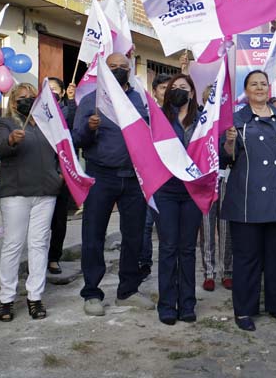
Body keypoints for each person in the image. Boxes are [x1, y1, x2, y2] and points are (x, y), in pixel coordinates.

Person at [220, 70, 276, 332]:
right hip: (247, 200)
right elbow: (226, 159)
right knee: (247, 258)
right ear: (246, 91)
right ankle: (244, 310)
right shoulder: (236, 120)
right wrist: (229, 143)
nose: (259, 88)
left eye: (263, 84)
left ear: (269, 88)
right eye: (253, 84)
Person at [73, 52, 154, 315]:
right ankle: (92, 293)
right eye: (113, 67)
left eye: (123, 66)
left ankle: (127, 290)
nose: (119, 69)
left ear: (130, 70)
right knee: (93, 235)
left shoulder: (140, 99)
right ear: (104, 71)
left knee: (134, 236)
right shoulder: (91, 100)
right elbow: (77, 139)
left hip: (134, 178)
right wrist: (89, 128)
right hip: (101, 176)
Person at [0, 83, 61, 321]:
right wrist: (11, 140)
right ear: (13, 102)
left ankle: (35, 296)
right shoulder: (5, 123)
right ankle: (7, 299)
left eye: (32, 97)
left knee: (39, 244)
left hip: (45, 192)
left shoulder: (45, 123)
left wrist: (59, 177)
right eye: (23, 97)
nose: (28, 100)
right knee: (13, 245)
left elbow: (61, 150)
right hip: (16, 193)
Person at [152, 74, 203, 324]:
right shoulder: (158, 119)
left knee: (187, 249)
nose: (180, 91)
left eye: (184, 87)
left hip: (193, 191)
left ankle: (187, 304)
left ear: (192, 93)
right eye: (175, 88)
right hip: (166, 191)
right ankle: (167, 305)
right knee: (168, 247)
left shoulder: (203, 120)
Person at [139, 73, 173, 280]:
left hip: (174, 180)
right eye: (163, 89)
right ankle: (144, 263)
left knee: (170, 229)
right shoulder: (148, 116)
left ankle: (171, 266)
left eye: (170, 89)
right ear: (155, 92)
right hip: (151, 178)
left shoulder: (183, 115)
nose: (167, 92)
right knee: (145, 224)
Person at [47, 77, 75, 275]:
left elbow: (73, 121)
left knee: (58, 220)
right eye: (47, 89)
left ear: (62, 93)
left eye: (55, 89)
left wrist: (73, 101)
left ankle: (54, 258)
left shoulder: (66, 111)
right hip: (40, 172)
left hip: (61, 171)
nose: (51, 92)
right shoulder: (38, 113)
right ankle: (38, 258)